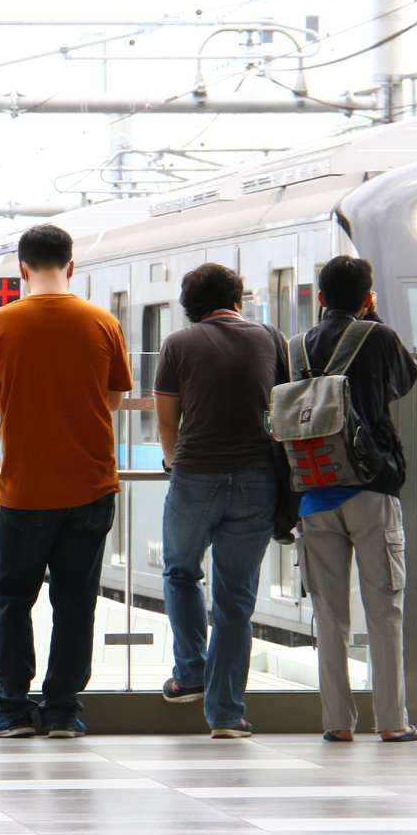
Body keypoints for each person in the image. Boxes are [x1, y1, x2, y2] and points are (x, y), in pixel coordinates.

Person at [0, 224, 133, 739]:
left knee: (11, 598)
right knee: (76, 602)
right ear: (71, 265)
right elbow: (112, 400)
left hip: (23, 489)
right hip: (91, 486)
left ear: (22, 269)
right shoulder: (103, 323)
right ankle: (63, 710)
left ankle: (12, 709)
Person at [153, 263, 286, 739]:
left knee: (181, 572)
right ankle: (227, 714)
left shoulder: (178, 344)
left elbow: (166, 420)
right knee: (235, 600)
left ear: (191, 306)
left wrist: (174, 464)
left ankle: (190, 670)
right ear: (237, 299)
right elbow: (284, 406)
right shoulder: (270, 338)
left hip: (195, 476)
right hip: (257, 480)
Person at [296, 254, 417, 744]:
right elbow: (405, 381)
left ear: (320, 298)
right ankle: (391, 721)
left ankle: (337, 723)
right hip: (372, 489)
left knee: (329, 616)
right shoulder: (380, 337)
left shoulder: (296, 346)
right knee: (384, 608)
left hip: (315, 492)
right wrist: (373, 318)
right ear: (368, 297)